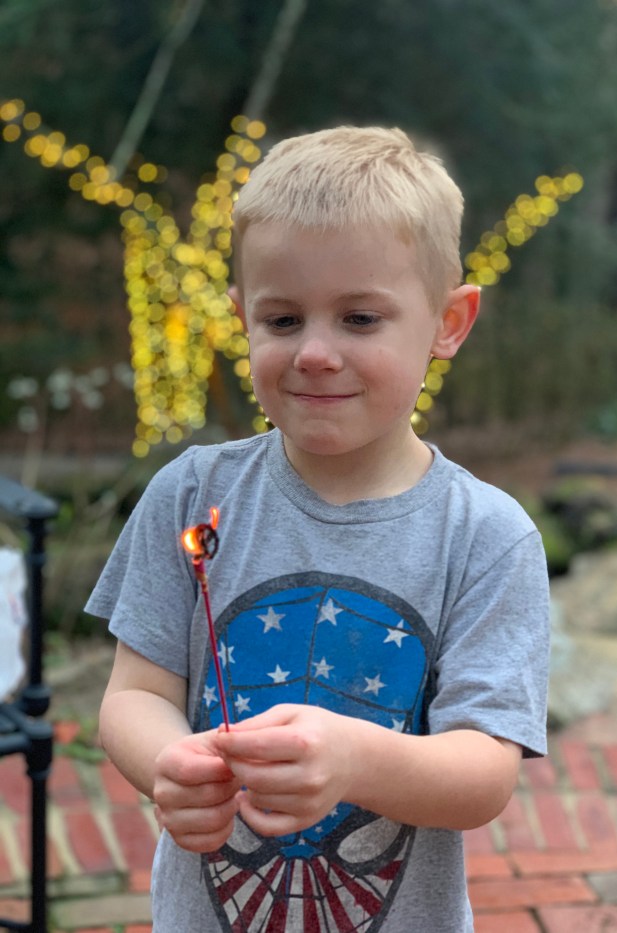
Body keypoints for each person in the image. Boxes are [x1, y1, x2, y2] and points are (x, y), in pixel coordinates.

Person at [89, 125, 550, 933]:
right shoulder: (191, 494)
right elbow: (135, 695)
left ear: (449, 322)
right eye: (282, 319)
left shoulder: (486, 536)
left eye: (360, 318)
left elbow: (483, 772)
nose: (314, 352)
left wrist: (354, 760)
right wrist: (171, 762)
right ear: (242, 317)